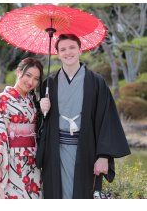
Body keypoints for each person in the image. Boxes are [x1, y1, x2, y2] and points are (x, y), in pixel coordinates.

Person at [36, 34, 131, 199]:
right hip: (55, 152)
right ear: (57, 53)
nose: (68, 52)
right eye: (63, 49)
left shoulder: (96, 82)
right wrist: (42, 108)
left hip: (86, 150)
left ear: (80, 49)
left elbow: (106, 120)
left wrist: (103, 156)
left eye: (72, 47)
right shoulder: (49, 84)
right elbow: (40, 125)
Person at [0, 57, 44, 199]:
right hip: (10, 159)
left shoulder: (32, 101)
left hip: (32, 160)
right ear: (18, 72)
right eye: (28, 75)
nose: (31, 82)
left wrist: (43, 109)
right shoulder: (2, 99)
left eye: (36, 78)